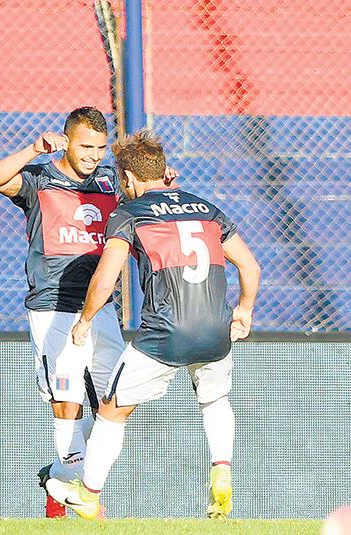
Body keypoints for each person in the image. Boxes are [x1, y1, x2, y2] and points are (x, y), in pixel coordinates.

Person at [45, 130, 261, 520]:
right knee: (214, 399)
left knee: (111, 410)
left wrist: (85, 319)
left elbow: (106, 278)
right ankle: (222, 471)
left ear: (128, 179)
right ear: (164, 172)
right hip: (216, 329)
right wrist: (244, 310)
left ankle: (90, 494)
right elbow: (249, 265)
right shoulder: (207, 208)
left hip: (164, 334)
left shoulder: (128, 214)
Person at [0, 107, 128, 517]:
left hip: (100, 306)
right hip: (54, 305)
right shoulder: (41, 179)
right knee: (66, 401)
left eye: (100, 148)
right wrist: (32, 149)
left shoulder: (108, 181)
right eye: (86, 146)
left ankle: (58, 478)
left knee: (113, 403)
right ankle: (83, 501)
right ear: (68, 140)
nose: (93, 155)